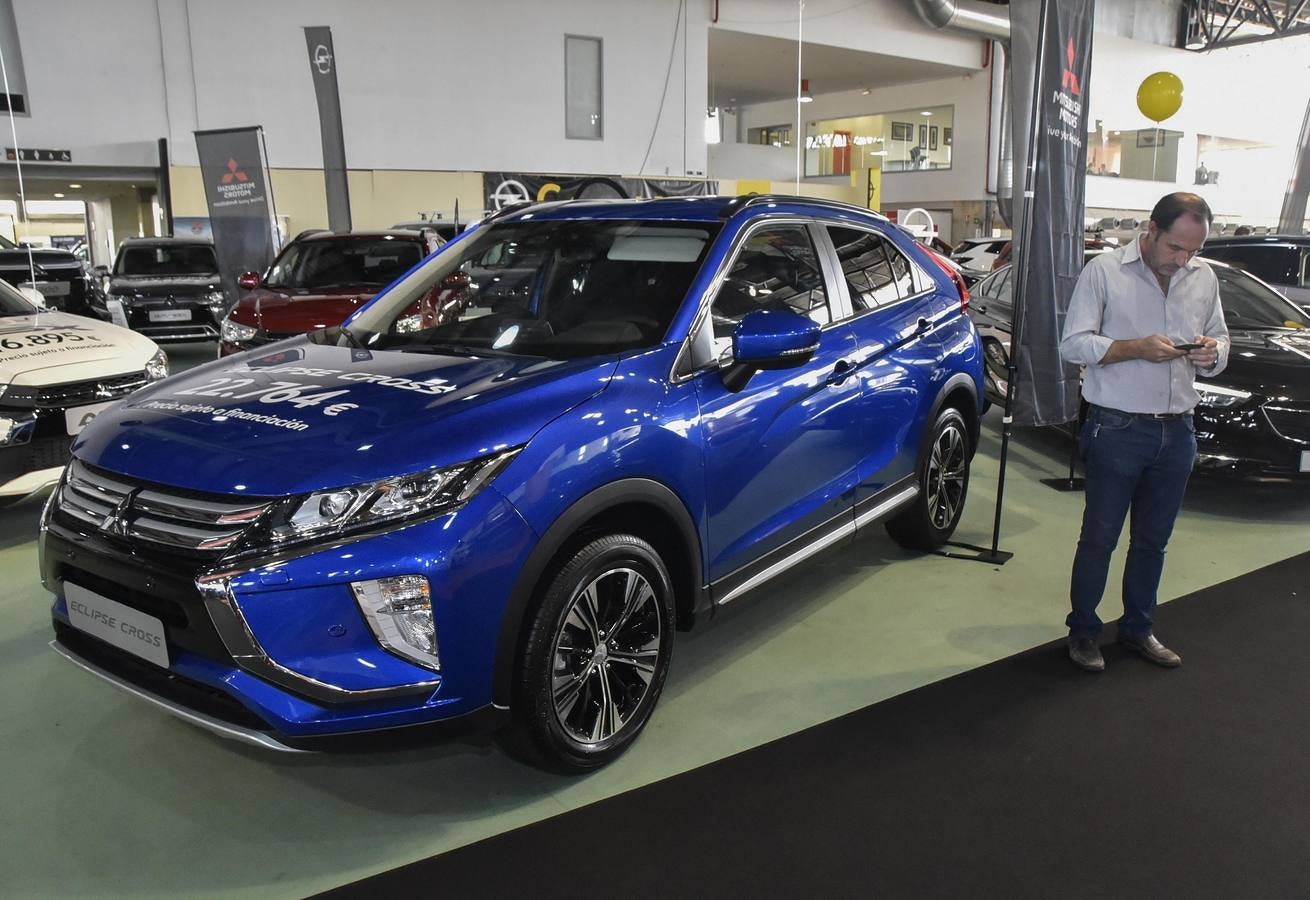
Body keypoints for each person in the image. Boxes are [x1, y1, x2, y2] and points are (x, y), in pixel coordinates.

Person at [1059, 192, 1230, 672]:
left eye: (1193, 251)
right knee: (1100, 538)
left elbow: (1221, 337)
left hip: (1178, 431)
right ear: (1151, 230)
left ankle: (1138, 629)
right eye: (1176, 247)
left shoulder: (1204, 278)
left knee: (1153, 541)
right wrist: (1133, 347)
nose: (1183, 260)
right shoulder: (1105, 271)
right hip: (1118, 427)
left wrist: (1211, 353)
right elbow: (1073, 345)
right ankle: (1084, 633)